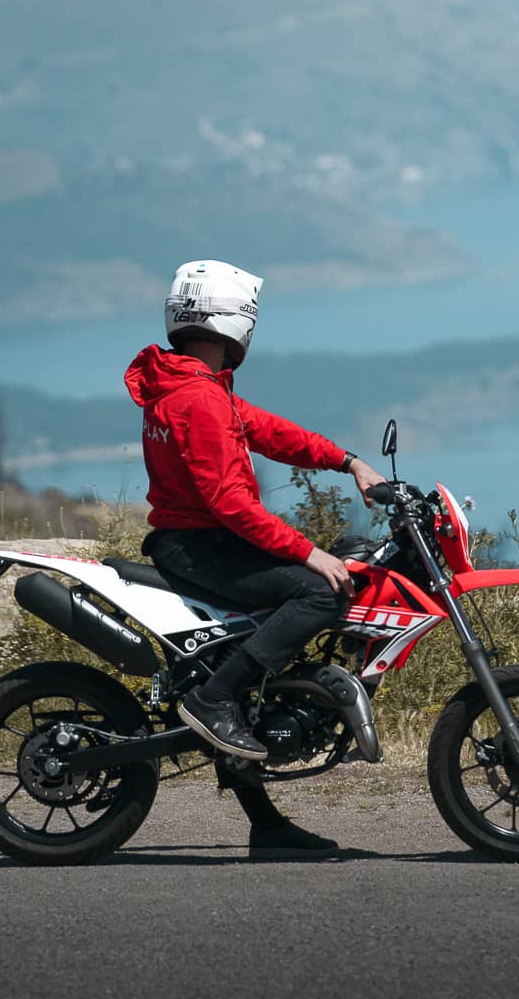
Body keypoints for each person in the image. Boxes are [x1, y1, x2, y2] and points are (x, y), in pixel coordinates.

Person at [124, 259, 386, 856]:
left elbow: (267, 431)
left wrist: (347, 461)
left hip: (193, 541)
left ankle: (266, 824)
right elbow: (231, 503)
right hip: (201, 545)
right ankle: (213, 699)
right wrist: (309, 551)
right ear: (234, 322)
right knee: (321, 590)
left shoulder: (191, 385)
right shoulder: (199, 398)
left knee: (271, 626)